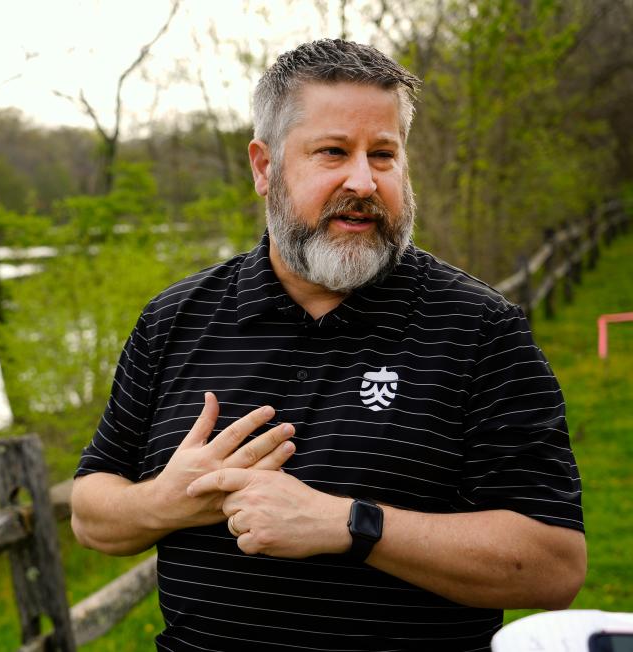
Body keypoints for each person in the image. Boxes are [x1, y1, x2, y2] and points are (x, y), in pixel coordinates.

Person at [70, 39, 586, 651]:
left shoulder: (480, 330)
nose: (364, 181)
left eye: (385, 155)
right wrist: (168, 500)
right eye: (333, 152)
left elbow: (555, 565)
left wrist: (350, 525)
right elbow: (89, 511)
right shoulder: (175, 319)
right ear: (265, 167)